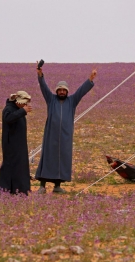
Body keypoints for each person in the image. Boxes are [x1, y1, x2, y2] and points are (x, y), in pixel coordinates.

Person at [35, 63, 97, 193]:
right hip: (51, 135)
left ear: (67, 91)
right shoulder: (51, 99)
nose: (62, 92)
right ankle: (42, 186)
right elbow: (43, 87)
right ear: (56, 91)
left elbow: (81, 91)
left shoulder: (72, 101)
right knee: (48, 157)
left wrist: (90, 79)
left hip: (65, 136)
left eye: (64, 90)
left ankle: (57, 186)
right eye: (59, 90)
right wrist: (40, 74)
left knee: (61, 159)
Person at [0, 91, 33, 195]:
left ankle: (20, 190)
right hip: (11, 145)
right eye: (23, 103)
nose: (25, 105)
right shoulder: (8, 109)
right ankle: (5, 189)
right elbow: (8, 118)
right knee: (10, 166)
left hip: (19, 144)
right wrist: (23, 111)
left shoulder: (17, 109)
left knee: (20, 167)